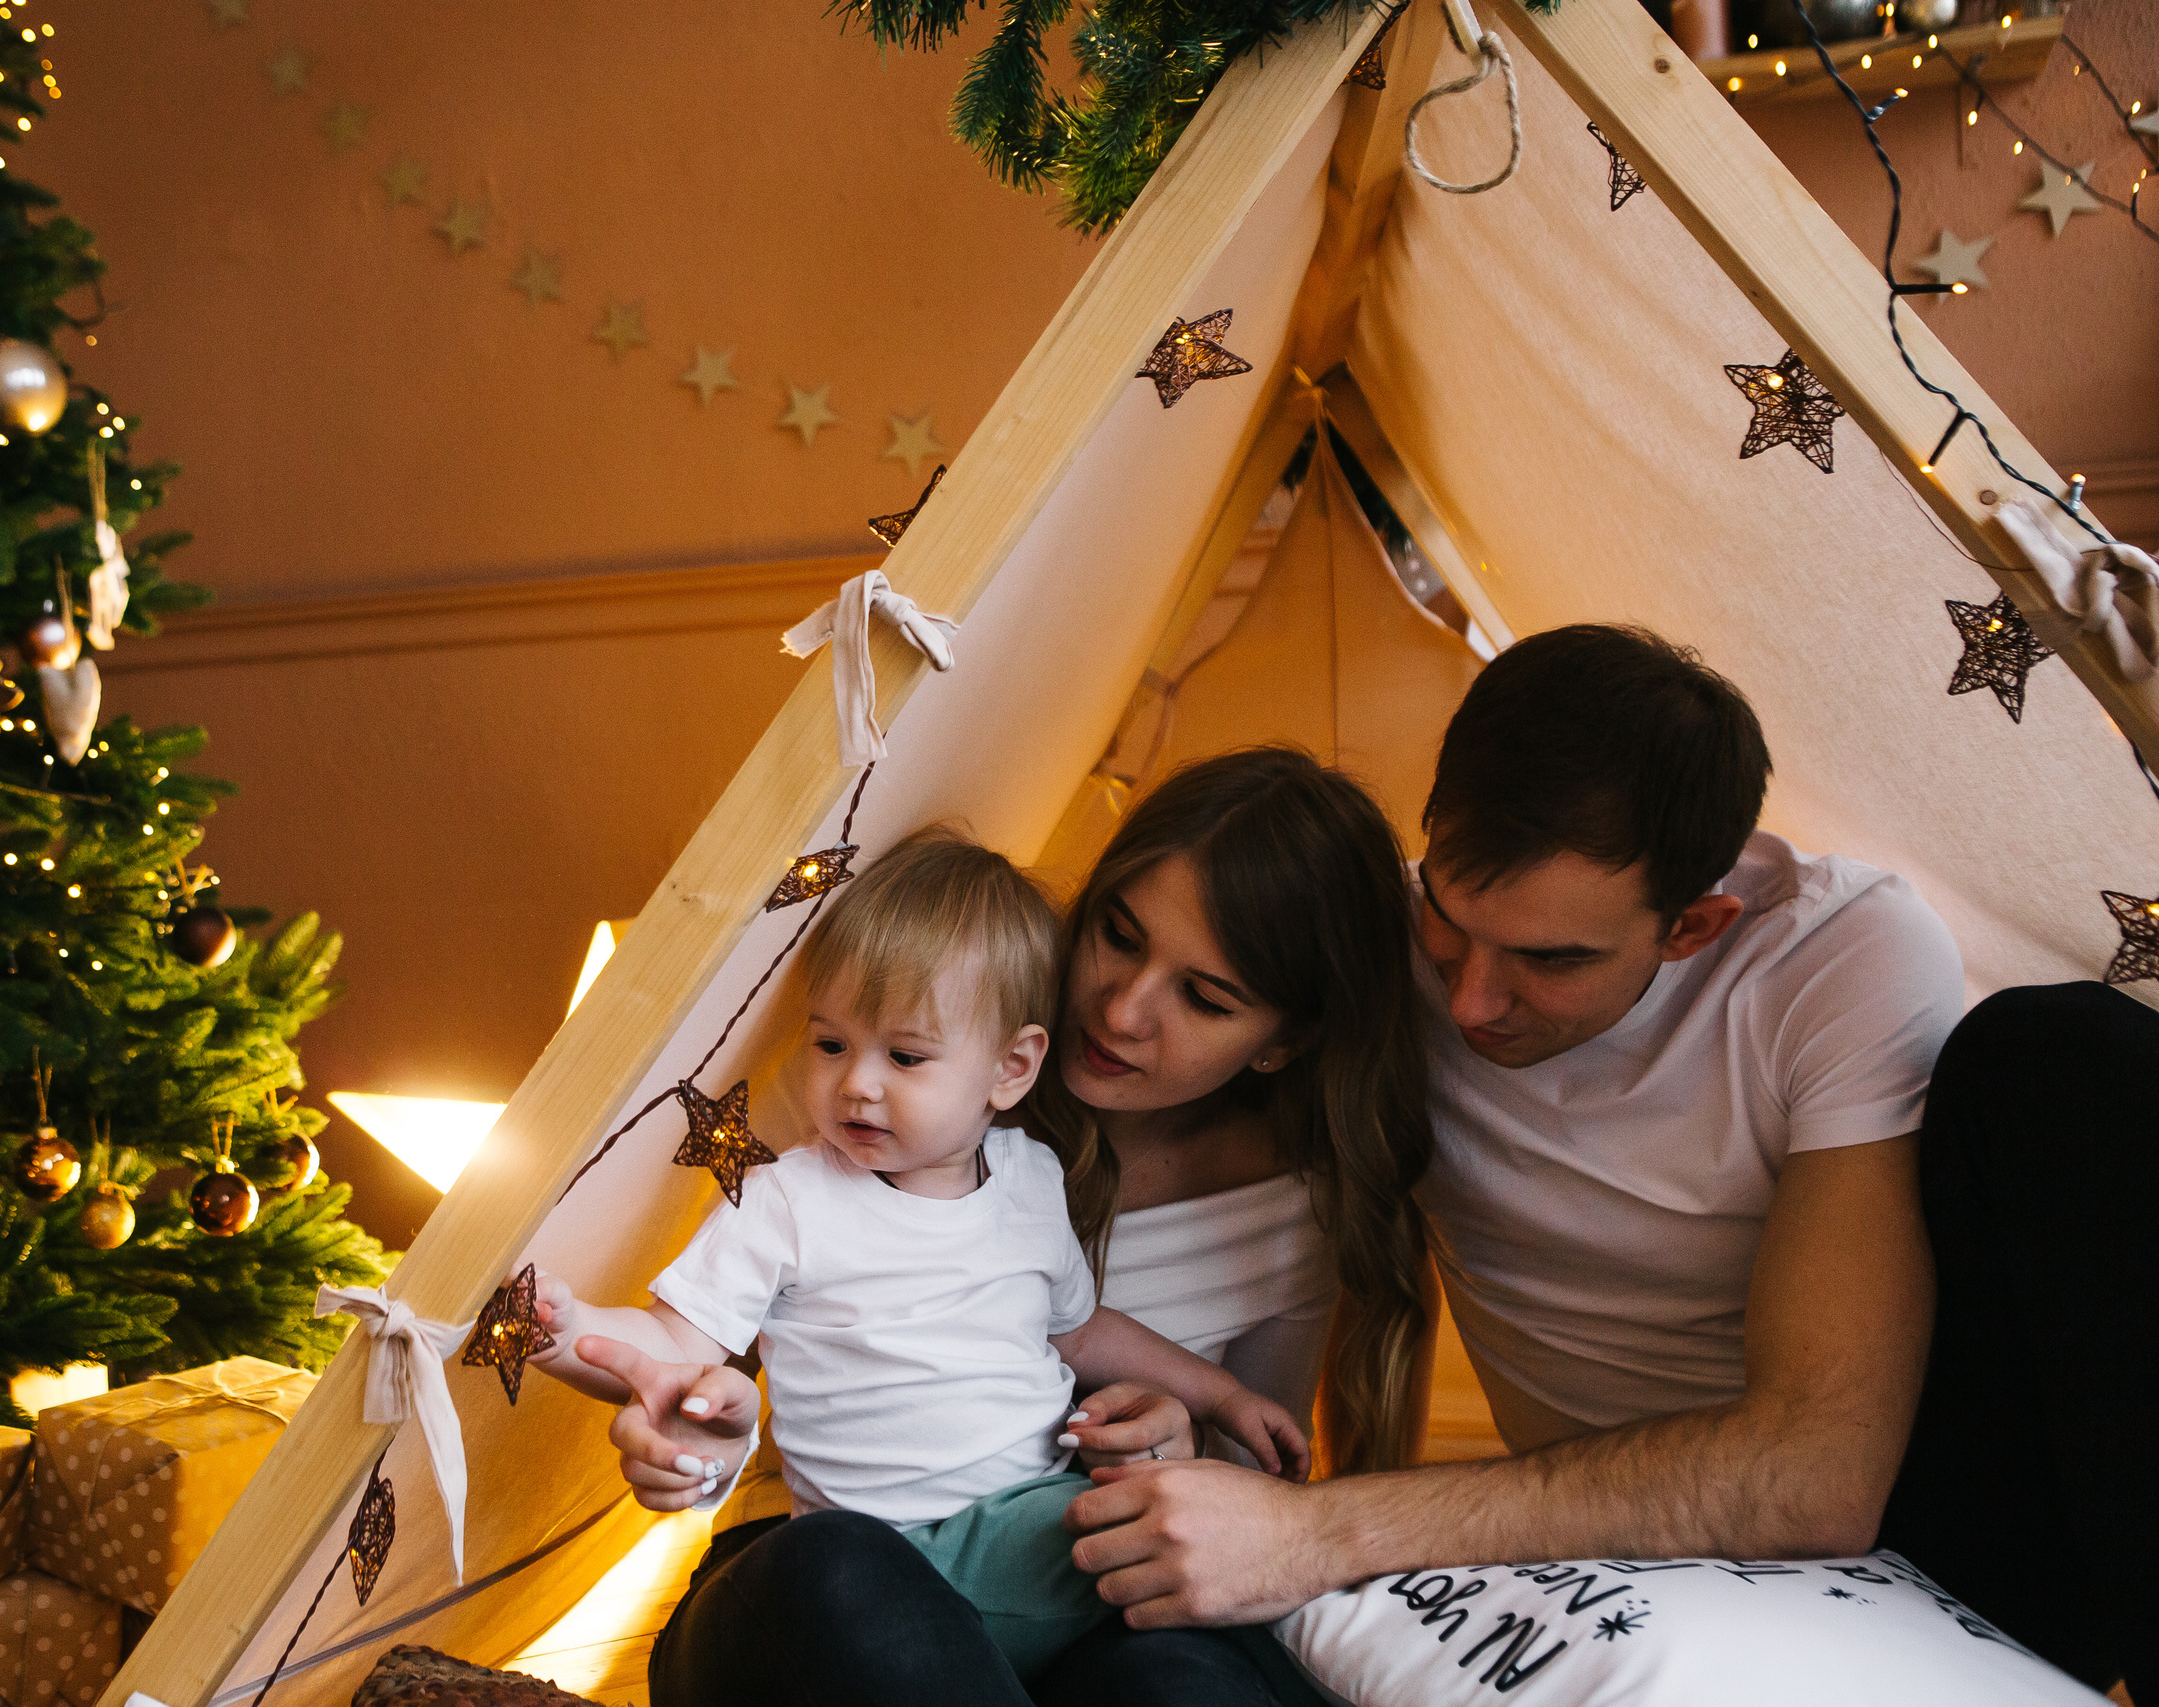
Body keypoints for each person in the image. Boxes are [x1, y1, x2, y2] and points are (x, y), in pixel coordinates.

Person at [1060, 625, 2146, 1700]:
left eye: (1550, 960)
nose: (1472, 1002)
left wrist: (1320, 1528)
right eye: (1450, 920)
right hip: (1613, 1541)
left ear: (1691, 926)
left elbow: (1815, 1480)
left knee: (2063, 1055)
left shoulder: (1834, 955)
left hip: (1933, 1496)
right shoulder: (1382, 945)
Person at [582, 748, 1439, 1707]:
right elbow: (702, 1360)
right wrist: (668, 1420)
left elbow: (1240, 1505)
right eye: (1117, 935)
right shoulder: (874, 1077)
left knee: (1184, 1680)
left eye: (1203, 996)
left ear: (1284, 1040)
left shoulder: (1289, 1218)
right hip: (812, 1587)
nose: (1120, 1009)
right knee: (840, 1572)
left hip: (1056, 1577)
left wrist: (1177, 1441)